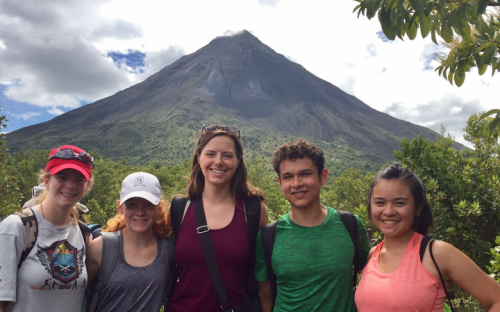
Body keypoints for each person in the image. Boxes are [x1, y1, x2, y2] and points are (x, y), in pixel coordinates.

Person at [355, 162, 500, 311]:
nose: (389, 211)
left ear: (418, 208)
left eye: (399, 203)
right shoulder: (371, 255)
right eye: (380, 203)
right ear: (371, 207)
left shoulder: (437, 253)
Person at [255, 139, 371, 312]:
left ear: (323, 177)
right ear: (280, 183)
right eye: (288, 177)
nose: (296, 183)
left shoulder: (350, 225)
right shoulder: (267, 237)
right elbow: (265, 298)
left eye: (305, 174)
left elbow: (374, 278)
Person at [167, 124, 268, 312]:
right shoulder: (180, 208)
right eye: (211, 154)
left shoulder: (253, 211)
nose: (218, 161)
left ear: (238, 161)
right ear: (199, 158)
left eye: (227, 155)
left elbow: (264, 272)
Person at [0, 145, 94, 312]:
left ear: (87, 187)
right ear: (47, 181)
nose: (70, 185)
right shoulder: (17, 227)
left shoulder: (84, 233)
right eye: (62, 177)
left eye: (79, 179)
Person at [85, 172, 175, 312]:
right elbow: (74, 294)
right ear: (120, 207)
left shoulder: (168, 249)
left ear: (159, 208)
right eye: (132, 205)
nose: (140, 212)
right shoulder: (100, 248)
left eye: (148, 205)